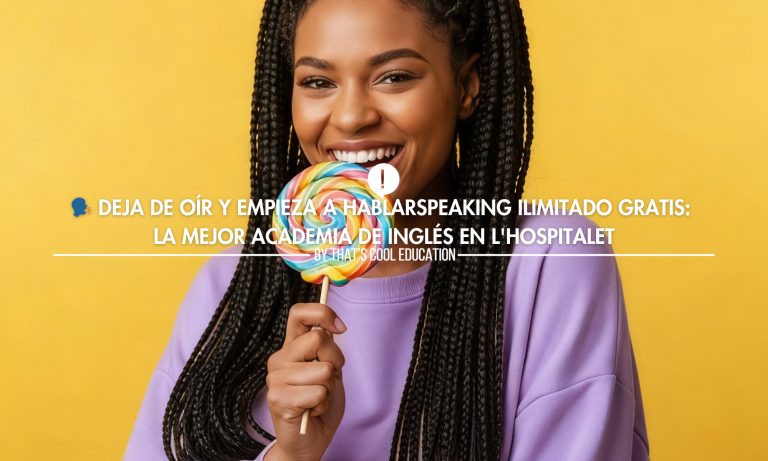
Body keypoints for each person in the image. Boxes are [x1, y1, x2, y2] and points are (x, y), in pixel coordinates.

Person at [123, 0, 649, 459]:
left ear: (467, 85)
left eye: (394, 76)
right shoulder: (233, 285)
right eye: (317, 82)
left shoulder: (547, 263)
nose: (351, 117)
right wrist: (291, 455)